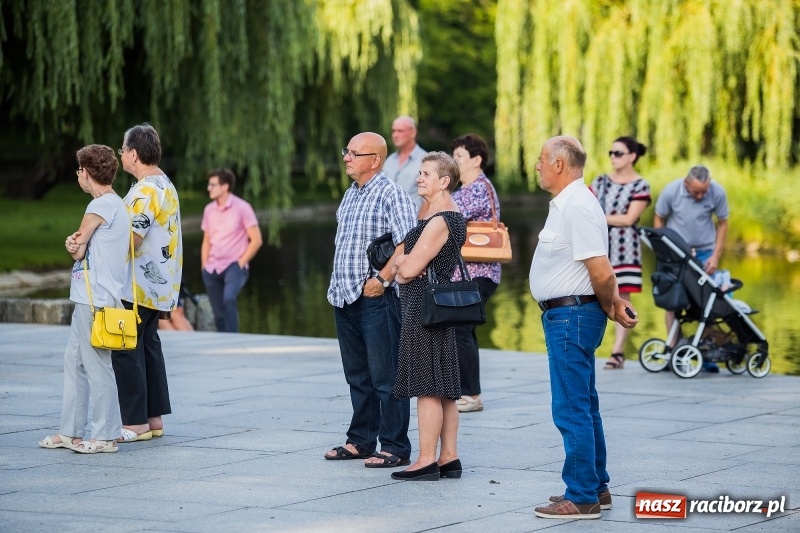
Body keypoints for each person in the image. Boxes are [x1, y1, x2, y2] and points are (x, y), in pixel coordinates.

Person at [529, 136, 638, 519]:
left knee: (571, 406)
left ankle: (582, 496)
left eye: (542, 159)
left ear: (559, 164)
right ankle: (596, 486)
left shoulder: (576, 205)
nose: (537, 165)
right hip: (568, 315)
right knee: (584, 404)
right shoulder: (568, 203)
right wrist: (611, 303)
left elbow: (601, 269)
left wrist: (612, 305)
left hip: (572, 317)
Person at [325, 132, 417, 468]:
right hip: (344, 296)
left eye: (353, 153)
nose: (346, 157)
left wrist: (382, 280)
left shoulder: (391, 194)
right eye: (345, 151)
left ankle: (395, 446)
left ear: (375, 160)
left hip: (376, 299)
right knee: (357, 376)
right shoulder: (350, 194)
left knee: (386, 376)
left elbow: (408, 242)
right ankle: (360, 441)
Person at [39, 144, 127, 454]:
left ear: (86, 174)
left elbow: (77, 246)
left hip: (96, 298)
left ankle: (104, 436)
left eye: (79, 170)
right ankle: (70, 431)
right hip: (93, 296)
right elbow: (82, 244)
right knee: (74, 361)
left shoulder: (99, 207)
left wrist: (72, 244)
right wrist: (76, 244)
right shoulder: (116, 204)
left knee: (96, 365)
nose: (77, 175)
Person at [390, 152, 466, 481]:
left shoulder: (439, 220)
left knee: (427, 386)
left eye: (425, 174)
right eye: (419, 172)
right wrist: (402, 266)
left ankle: (425, 460)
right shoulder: (440, 214)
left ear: (444, 182)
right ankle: (449, 457)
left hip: (424, 309)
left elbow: (406, 269)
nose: (419, 178)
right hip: (434, 308)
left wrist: (400, 268)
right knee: (444, 385)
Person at [113, 123, 183, 442]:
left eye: (122, 150)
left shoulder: (145, 190)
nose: (121, 155)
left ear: (134, 154)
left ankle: (134, 422)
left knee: (126, 348)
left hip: (137, 285)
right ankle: (153, 419)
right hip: (158, 286)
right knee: (148, 347)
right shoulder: (164, 183)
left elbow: (133, 238)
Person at [654, 165, 729, 373]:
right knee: (673, 302)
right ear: (686, 183)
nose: (702, 195)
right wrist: (664, 247)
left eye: (705, 191)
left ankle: (706, 352)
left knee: (707, 303)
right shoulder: (671, 191)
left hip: (706, 254)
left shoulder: (718, 192)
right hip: (676, 255)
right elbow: (659, 218)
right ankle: (673, 350)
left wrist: (716, 255)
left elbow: (723, 223)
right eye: (697, 191)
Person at [446, 134, 502, 412]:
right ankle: (464, 392)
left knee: (461, 328)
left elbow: (447, 218)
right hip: (466, 273)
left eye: (459, 157)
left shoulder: (478, 188)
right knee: (461, 328)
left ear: (477, 160)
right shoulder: (464, 188)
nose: (455, 162)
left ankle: (471, 395)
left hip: (479, 271)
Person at [589, 137, 651, 370]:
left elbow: (629, 219)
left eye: (618, 153)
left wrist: (599, 218)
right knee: (594, 292)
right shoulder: (600, 182)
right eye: (611, 152)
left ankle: (618, 351)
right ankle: (595, 345)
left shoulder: (640, 185)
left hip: (625, 248)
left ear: (632, 156)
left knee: (623, 296)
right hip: (600, 245)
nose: (613, 157)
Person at [200, 168, 263, 333]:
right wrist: (204, 266)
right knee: (218, 314)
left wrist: (240, 263)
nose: (209, 188)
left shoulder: (243, 208)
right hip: (211, 267)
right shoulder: (209, 210)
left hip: (233, 266)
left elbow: (256, 239)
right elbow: (206, 240)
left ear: (225, 186)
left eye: (212, 185)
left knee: (228, 299)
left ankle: (234, 340)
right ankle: (223, 346)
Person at [383, 115, 428, 213]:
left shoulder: (425, 161)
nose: (395, 135)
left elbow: (428, 200)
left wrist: (419, 226)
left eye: (400, 131)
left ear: (413, 133)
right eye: (393, 131)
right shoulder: (389, 160)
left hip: (412, 224)